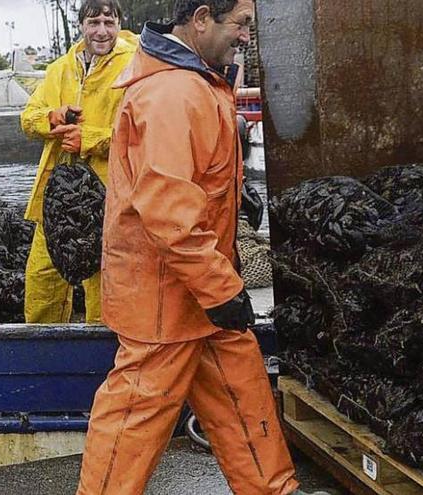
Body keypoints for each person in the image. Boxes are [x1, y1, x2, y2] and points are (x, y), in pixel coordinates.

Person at [77, 1, 327, 494]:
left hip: (201, 286)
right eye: (240, 25)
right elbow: (168, 209)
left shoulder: (195, 81)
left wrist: (236, 193)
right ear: (201, 17)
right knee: (134, 415)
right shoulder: (174, 91)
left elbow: (191, 177)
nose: (245, 37)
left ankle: (273, 489)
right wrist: (219, 287)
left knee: (242, 390)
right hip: (166, 298)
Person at [20, 0, 137, 324]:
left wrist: (92, 139)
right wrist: (52, 118)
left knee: (104, 283)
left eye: (109, 22)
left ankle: (104, 357)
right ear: (81, 25)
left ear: (118, 24)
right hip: (57, 197)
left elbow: (145, 136)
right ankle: (42, 353)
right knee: (42, 276)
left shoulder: (134, 67)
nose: (101, 30)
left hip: (109, 198)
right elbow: (28, 119)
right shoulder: (58, 69)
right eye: (93, 22)